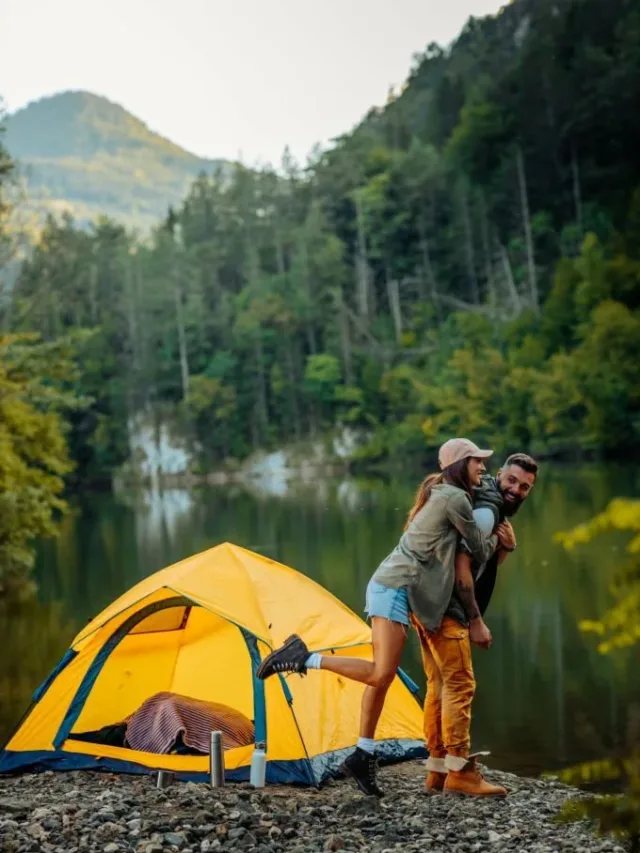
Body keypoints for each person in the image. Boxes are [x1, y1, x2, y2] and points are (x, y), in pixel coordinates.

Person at [257, 437, 510, 797]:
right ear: (459, 465)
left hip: (390, 587)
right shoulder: (454, 498)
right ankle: (302, 658)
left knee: (381, 678)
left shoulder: (444, 494)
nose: (483, 468)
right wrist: (502, 542)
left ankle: (363, 753)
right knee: (380, 673)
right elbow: (475, 544)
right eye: (477, 462)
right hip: (394, 588)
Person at [414, 452, 538, 798]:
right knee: (460, 685)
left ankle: (437, 770)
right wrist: (476, 621)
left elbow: (484, 565)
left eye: (525, 487)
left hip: (426, 604)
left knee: (438, 686)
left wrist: (505, 548)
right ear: (499, 475)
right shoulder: (487, 511)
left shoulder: (485, 503)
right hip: (448, 607)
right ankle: (460, 773)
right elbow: (463, 566)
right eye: (512, 481)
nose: (517, 490)